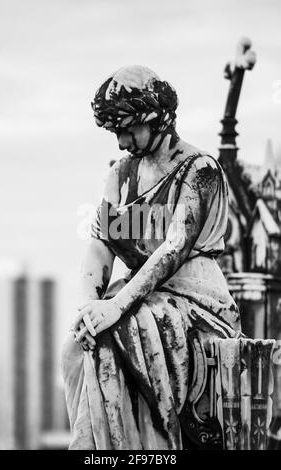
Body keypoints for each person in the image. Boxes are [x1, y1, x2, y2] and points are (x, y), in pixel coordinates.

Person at [61, 65, 241, 450]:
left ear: (154, 118)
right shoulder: (120, 174)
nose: (122, 141)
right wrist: (90, 307)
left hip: (193, 297)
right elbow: (100, 246)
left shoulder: (199, 169)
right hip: (140, 294)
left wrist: (117, 307)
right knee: (79, 346)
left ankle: (149, 449)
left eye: (127, 128)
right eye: (115, 132)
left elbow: (174, 248)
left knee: (121, 332)